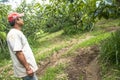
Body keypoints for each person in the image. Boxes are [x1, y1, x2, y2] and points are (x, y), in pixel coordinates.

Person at [7, 12, 38, 80]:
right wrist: (28, 68)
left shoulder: (16, 33)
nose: (22, 19)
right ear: (17, 20)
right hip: (26, 70)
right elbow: (18, 53)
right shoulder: (14, 34)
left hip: (27, 68)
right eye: (20, 18)